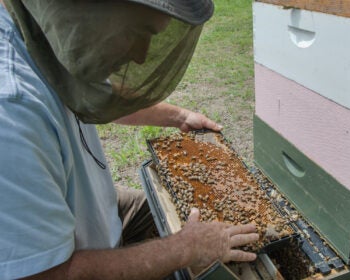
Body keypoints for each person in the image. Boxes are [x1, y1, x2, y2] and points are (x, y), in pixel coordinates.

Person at [0, 0, 259, 279]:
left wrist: (178, 117)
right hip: (70, 260)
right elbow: (45, 274)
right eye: (138, 32)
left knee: (200, 213)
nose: (141, 55)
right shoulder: (11, 111)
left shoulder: (44, 35)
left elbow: (94, 97)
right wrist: (185, 249)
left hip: (97, 214)